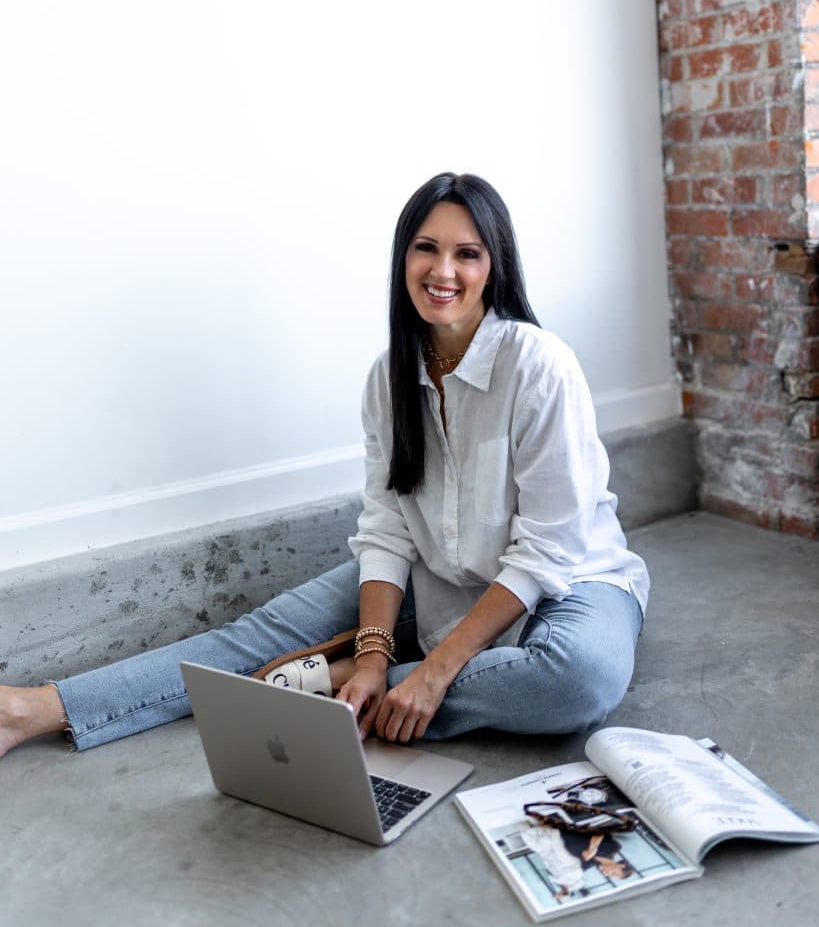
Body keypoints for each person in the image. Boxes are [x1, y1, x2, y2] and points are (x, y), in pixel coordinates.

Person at [0, 172, 648, 759]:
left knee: (574, 681)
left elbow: (548, 551)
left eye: (466, 253)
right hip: (439, 574)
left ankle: (336, 691)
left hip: (568, 584)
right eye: (425, 248)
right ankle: (31, 708)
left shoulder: (538, 366)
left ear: (494, 266)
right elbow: (389, 529)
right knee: (258, 634)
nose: (441, 269)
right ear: (403, 259)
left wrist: (426, 672)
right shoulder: (386, 379)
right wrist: (370, 653)